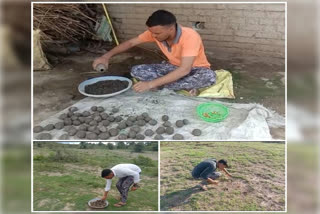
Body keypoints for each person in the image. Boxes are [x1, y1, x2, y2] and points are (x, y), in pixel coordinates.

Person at [93, 10, 216, 95]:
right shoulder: (154, 33)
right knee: (137, 70)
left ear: (171, 28)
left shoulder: (190, 36)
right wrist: (106, 56)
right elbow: (130, 43)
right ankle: (179, 84)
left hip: (196, 70)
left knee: (209, 77)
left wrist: (150, 84)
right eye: (151, 32)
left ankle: (164, 84)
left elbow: (185, 69)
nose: (153, 36)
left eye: (157, 33)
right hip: (173, 68)